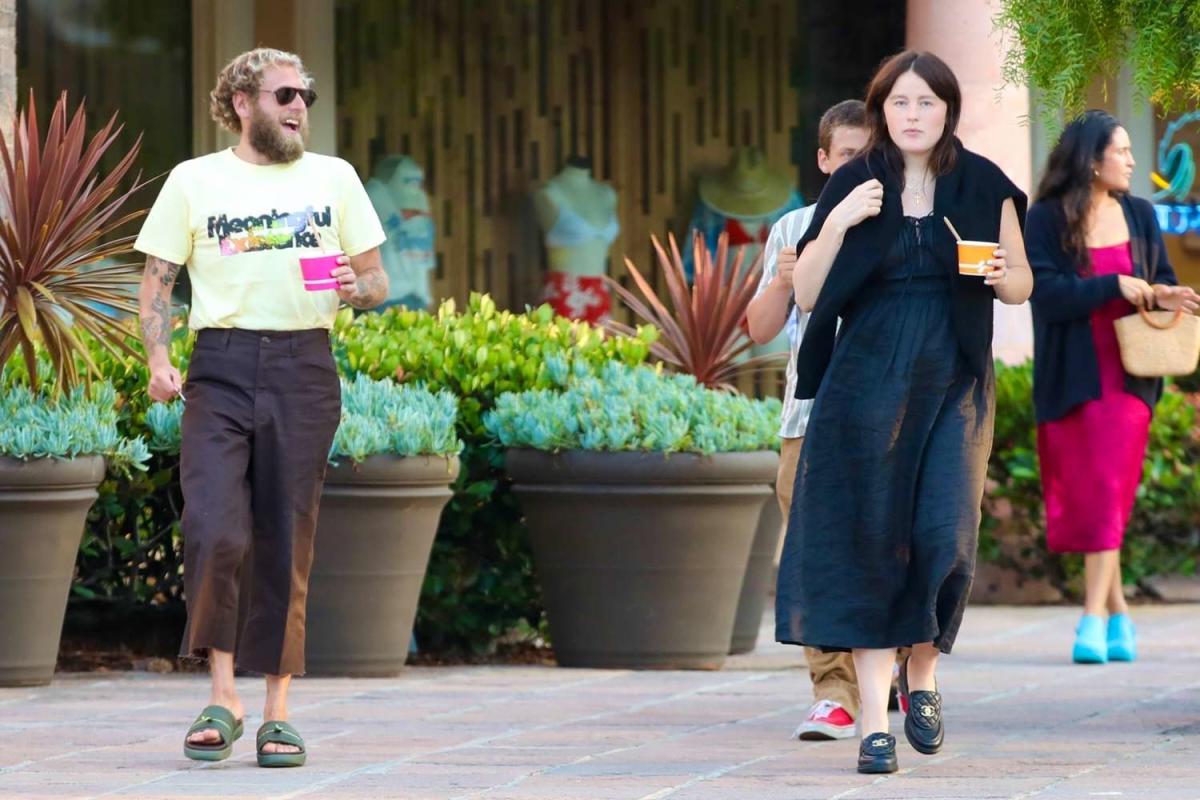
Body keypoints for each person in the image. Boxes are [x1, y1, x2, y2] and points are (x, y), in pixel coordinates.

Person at [774, 50, 1033, 774]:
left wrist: (997, 273)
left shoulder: (983, 184)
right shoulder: (856, 180)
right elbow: (808, 295)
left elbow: (1020, 284)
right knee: (869, 544)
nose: (913, 115)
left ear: (947, 109)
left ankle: (923, 680)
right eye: (899, 103)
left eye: (926, 102)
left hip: (952, 381)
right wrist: (836, 224)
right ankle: (871, 729)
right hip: (864, 386)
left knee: (943, 535)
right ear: (882, 110)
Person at [135, 47, 388, 768]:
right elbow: (156, 281)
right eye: (283, 94)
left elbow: (375, 280)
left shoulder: (334, 178)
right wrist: (159, 359)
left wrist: (354, 286)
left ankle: (277, 709)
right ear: (242, 101)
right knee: (214, 528)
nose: (298, 106)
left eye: (304, 94)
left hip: (305, 367)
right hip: (218, 369)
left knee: (286, 533)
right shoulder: (194, 180)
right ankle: (223, 695)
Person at [1026, 110, 1199, 664]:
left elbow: (1163, 282)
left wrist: (1164, 295)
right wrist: (1113, 286)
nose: (1130, 160)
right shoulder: (1047, 218)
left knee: (1106, 490)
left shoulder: (1142, 215)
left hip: (1129, 378)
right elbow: (1046, 296)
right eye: (1120, 151)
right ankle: (1121, 613)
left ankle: (1093, 617)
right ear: (1090, 159)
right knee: (1093, 495)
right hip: (1072, 376)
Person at [748, 99, 870, 741]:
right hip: (808, 417)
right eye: (847, 154)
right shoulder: (793, 226)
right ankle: (834, 691)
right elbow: (761, 332)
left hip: (886, 416)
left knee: (889, 545)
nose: (859, 165)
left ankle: (896, 670)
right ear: (824, 160)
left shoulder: (909, 221)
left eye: (868, 152)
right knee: (813, 555)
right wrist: (780, 283)